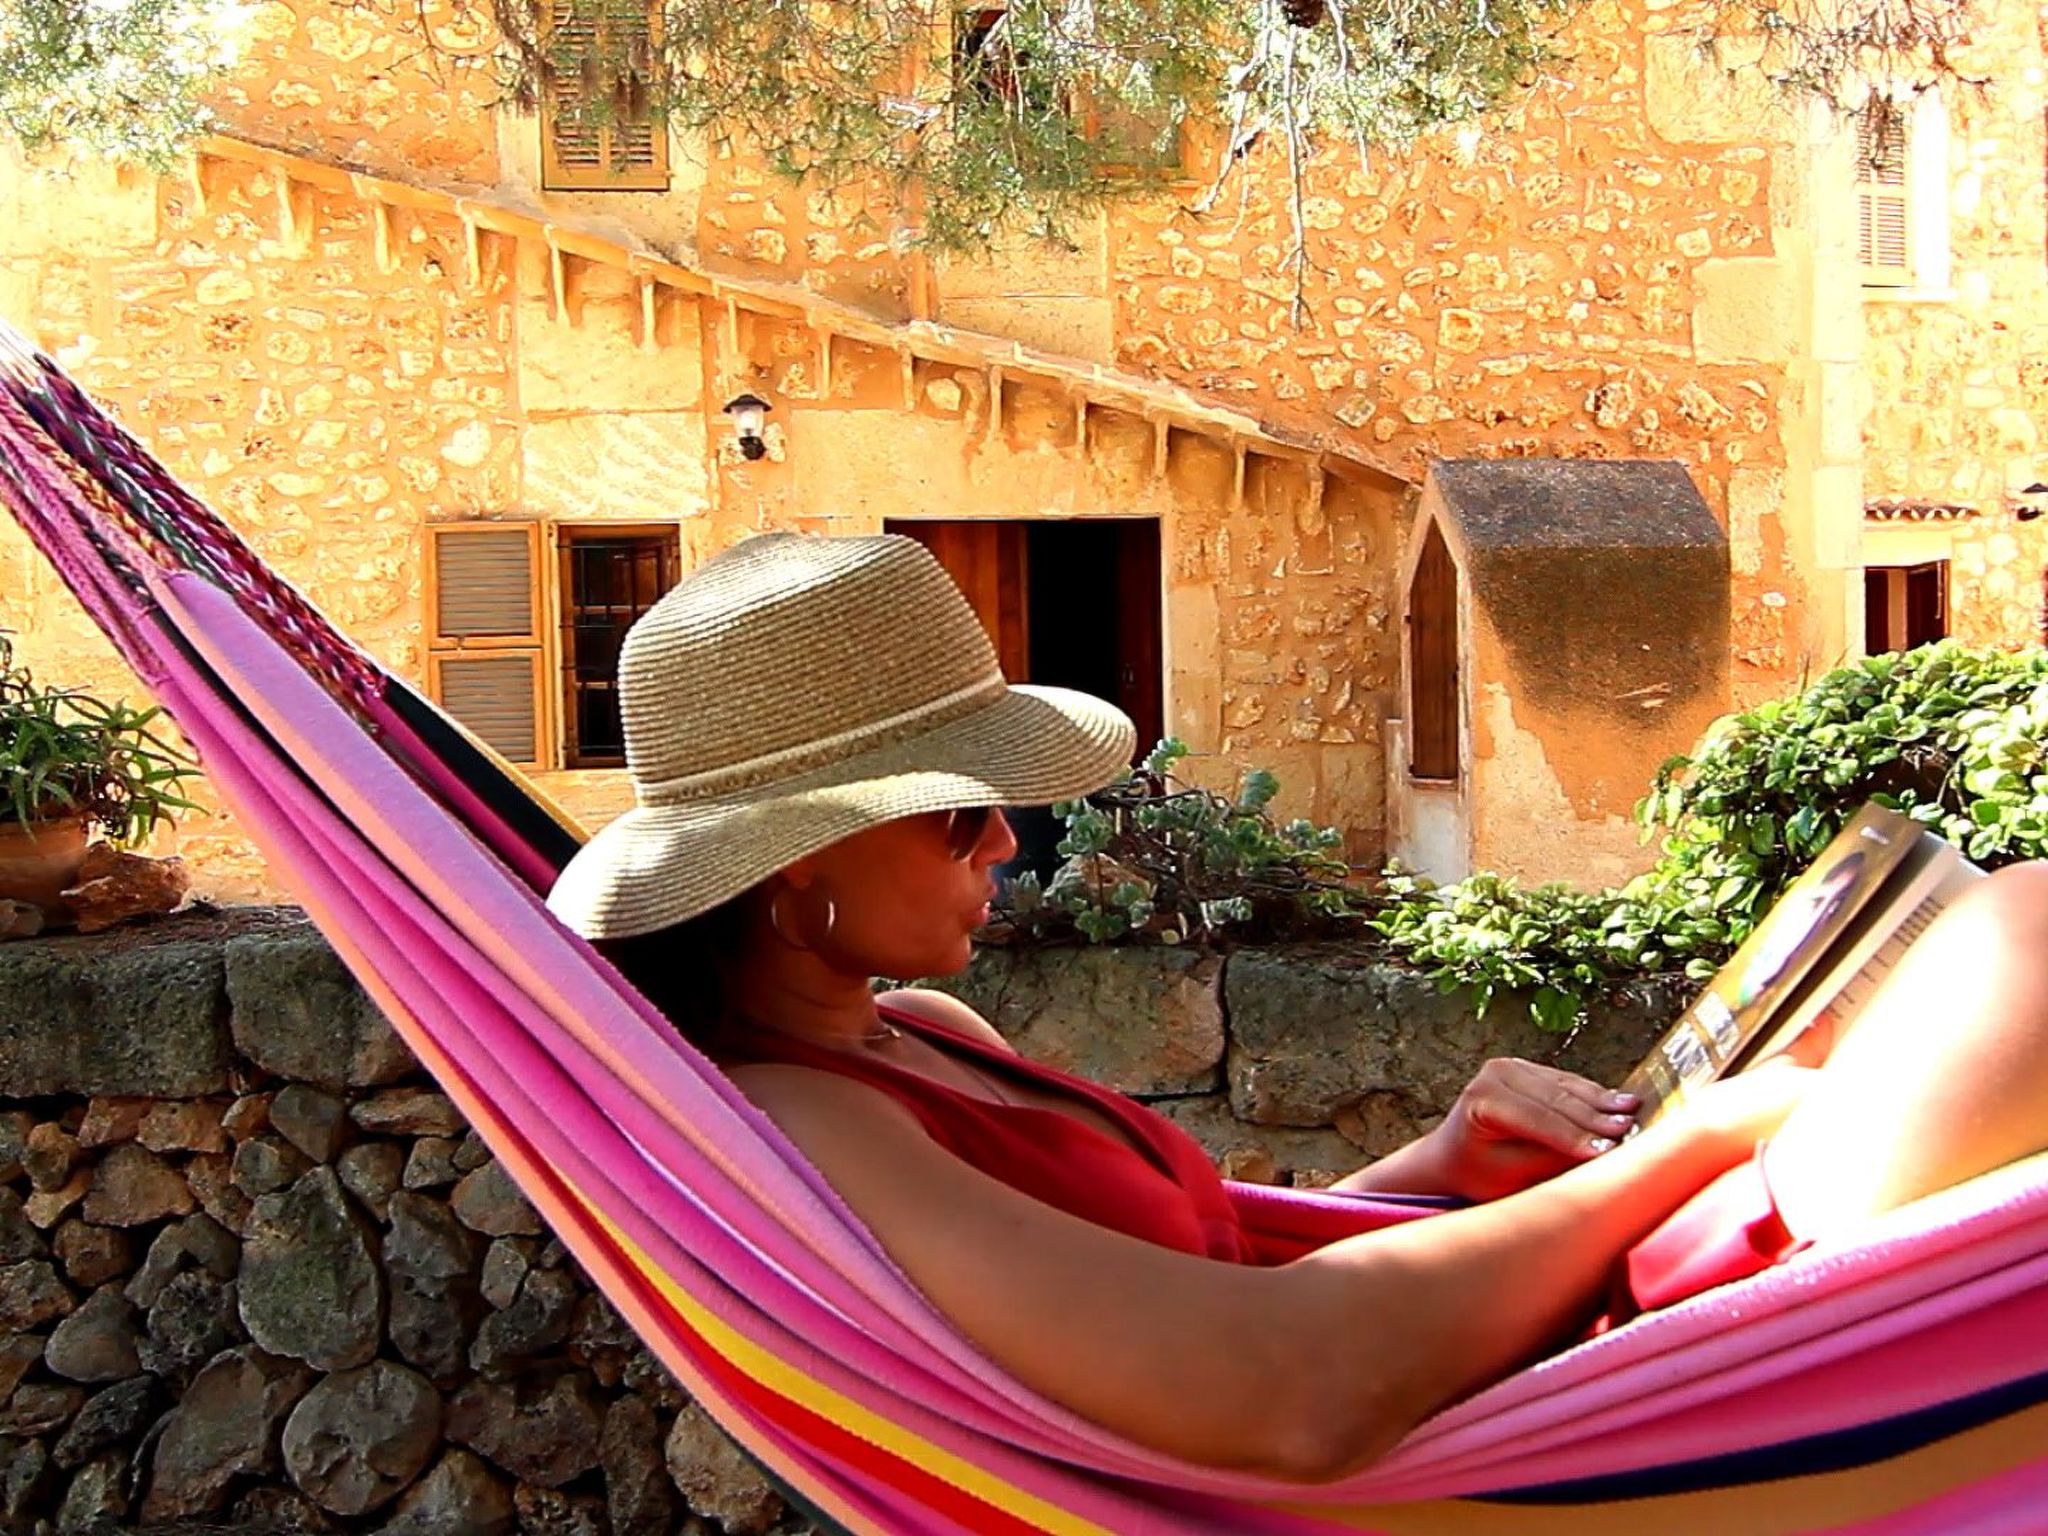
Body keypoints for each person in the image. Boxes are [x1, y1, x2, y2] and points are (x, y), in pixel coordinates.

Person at [547, 532, 2048, 1483]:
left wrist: (1435, 1172)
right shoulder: (807, 1130)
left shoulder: (925, 1043)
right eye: (964, 812)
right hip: (1528, 1437)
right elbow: (1290, 1396)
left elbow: (1200, 1280)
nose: (1010, 838)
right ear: (794, 864)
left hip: (1535, 1364)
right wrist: (1688, 1153)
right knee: (2022, 945)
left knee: (1995, 933)